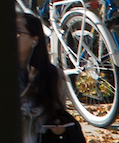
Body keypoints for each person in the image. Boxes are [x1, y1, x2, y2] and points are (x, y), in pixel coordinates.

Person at [19, 12, 76, 143]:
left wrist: (59, 125)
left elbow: (58, 113)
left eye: (17, 33)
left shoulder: (53, 74)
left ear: (34, 40)